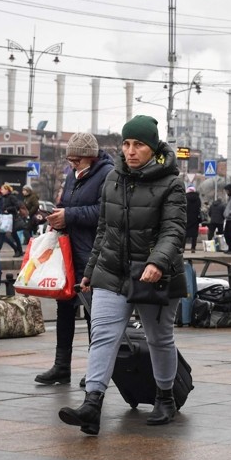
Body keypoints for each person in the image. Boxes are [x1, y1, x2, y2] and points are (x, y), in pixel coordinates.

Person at [58, 115, 187, 436]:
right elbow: (104, 229)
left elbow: (174, 229)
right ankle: (92, 404)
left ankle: (165, 398)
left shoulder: (172, 183)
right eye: (127, 143)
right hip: (112, 270)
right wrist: (89, 271)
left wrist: (157, 262)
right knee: (103, 335)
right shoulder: (113, 178)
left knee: (159, 339)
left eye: (139, 144)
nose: (131, 150)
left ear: (153, 147)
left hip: (152, 274)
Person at [34, 132, 114, 385]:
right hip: (68, 252)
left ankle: (95, 371)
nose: (71, 165)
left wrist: (69, 215)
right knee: (64, 310)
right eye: (69, 160)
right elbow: (65, 203)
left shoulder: (107, 174)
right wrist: (55, 216)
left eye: (76, 160)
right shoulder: (72, 176)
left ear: (89, 157)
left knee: (94, 314)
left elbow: (105, 212)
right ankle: (61, 366)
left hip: (93, 253)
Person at [0, 184, 24, 257]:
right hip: (5, 218)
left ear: (7, 190)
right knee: (3, 235)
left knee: (14, 235)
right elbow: (1, 207)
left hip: (12, 218)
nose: (1, 191)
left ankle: (19, 250)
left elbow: (17, 206)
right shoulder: (3, 198)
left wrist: (8, 209)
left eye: (3, 189)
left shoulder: (11, 197)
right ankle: (18, 250)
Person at [184, 185, 202, 253]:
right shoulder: (198, 198)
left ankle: (182, 248)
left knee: (185, 233)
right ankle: (193, 248)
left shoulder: (185, 197)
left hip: (186, 218)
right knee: (194, 234)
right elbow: (199, 208)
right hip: (195, 218)